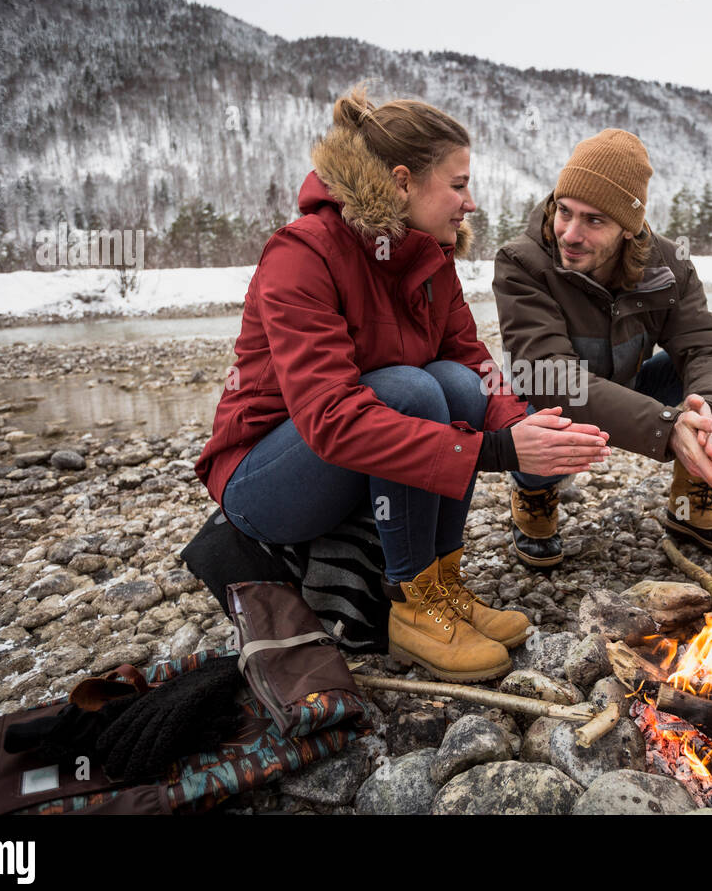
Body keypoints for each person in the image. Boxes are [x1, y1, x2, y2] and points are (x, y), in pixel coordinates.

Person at [193, 86, 612, 681]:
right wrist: (494, 451)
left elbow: (472, 362)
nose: (470, 203)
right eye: (459, 184)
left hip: (350, 458)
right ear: (401, 181)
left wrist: (526, 431)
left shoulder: (426, 259)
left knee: (454, 384)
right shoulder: (303, 253)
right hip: (263, 480)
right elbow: (331, 417)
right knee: (410, 391)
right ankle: (410, 611)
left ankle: (440, 586)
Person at [492, 128, 712, 569]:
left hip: (627, 389)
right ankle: (535, 490)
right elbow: (550, 375)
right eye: (564, 211)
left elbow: (705, 347)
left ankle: (691, 501)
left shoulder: (667, 267)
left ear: (628, 229)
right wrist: (666, 426)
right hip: (551, 402)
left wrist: (705, 417)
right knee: (532, 411)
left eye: (594, 220)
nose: (570, 234)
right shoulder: (523, 262)